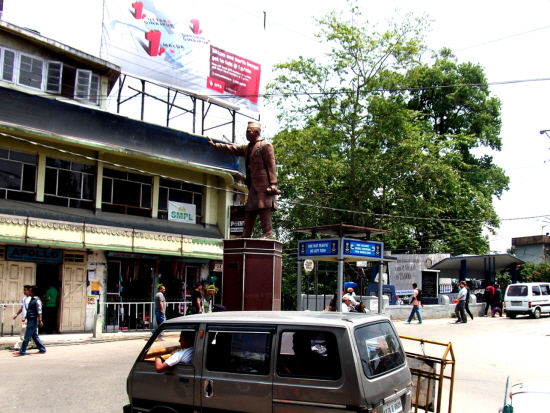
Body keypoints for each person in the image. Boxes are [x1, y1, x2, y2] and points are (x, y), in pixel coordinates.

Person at [208, 121, 280, 239]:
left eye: (248, 131)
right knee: (249, 210)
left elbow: (271, 165)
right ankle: (246, 234)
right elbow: (231, 148)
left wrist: (273, 183)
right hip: (252, 185)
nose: (246, 134)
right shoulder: (246, 148)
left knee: (263, 209)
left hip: (264, 185)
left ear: (255, 132)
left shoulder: (265, 145)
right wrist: (215, 145)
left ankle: (268, 233)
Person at [14, 285, 46, 356]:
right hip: (29, 319)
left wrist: (40, 321)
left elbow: (39, 312)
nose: (29, 292)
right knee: (34, 336)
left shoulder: (37, 301)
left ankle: (22, 351)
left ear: (33, 292)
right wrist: (25, 317)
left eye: (30, 291)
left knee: (27, 336)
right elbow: (29, 311)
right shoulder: (31, 299)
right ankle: (42, 349)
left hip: (33, 321)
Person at [12, 285, 31, 350]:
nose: (24, 291)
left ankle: (18, 346)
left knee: (24, 331)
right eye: (24, 290)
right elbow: (22, 308)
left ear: (29, 291)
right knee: (29, 332)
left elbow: (31, 310)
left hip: (29, 318)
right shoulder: (24, 298)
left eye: (25, 290)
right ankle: (34, 344)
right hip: (25, 318)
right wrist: (16, 314)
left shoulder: (31, 299)